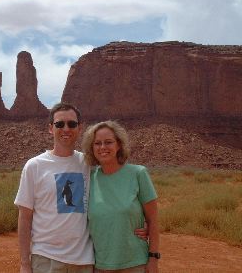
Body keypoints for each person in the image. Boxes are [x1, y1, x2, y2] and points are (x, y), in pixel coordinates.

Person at [14, 103, 148, 273]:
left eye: (72, 124)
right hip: (47, 259)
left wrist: (143, 222)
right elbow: (25, 217)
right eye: (59, 124)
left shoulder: (89, 163)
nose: (66, 128)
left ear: (79, 128)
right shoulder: (35, 166)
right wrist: (24, 263)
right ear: (50, 128)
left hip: (84, 261)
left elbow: (117, 184)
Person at [82, 121, 160, 273]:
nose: (103, 147)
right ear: (92, 148)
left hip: (135, 264)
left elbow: (153, 221)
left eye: (108, 142)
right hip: (99, 265)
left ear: (119, 145)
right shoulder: (88, 179)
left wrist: (153, 259)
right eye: (97, 143)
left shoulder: (138, 174)